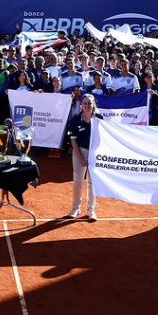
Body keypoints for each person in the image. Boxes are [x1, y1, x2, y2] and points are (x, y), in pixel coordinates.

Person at [65, 93, 99, 221]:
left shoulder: (99, 118)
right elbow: (73, 141)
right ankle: (75, 208)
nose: (87, 105)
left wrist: (95, 154)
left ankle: (91, 210)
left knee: (92, 183)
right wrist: (81, 159)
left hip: (94, 154)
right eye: (85, 103)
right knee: (78, 182)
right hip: (79, 152)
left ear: (93, 105)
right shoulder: (75, 120)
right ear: (81, 105)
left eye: (89, 103)